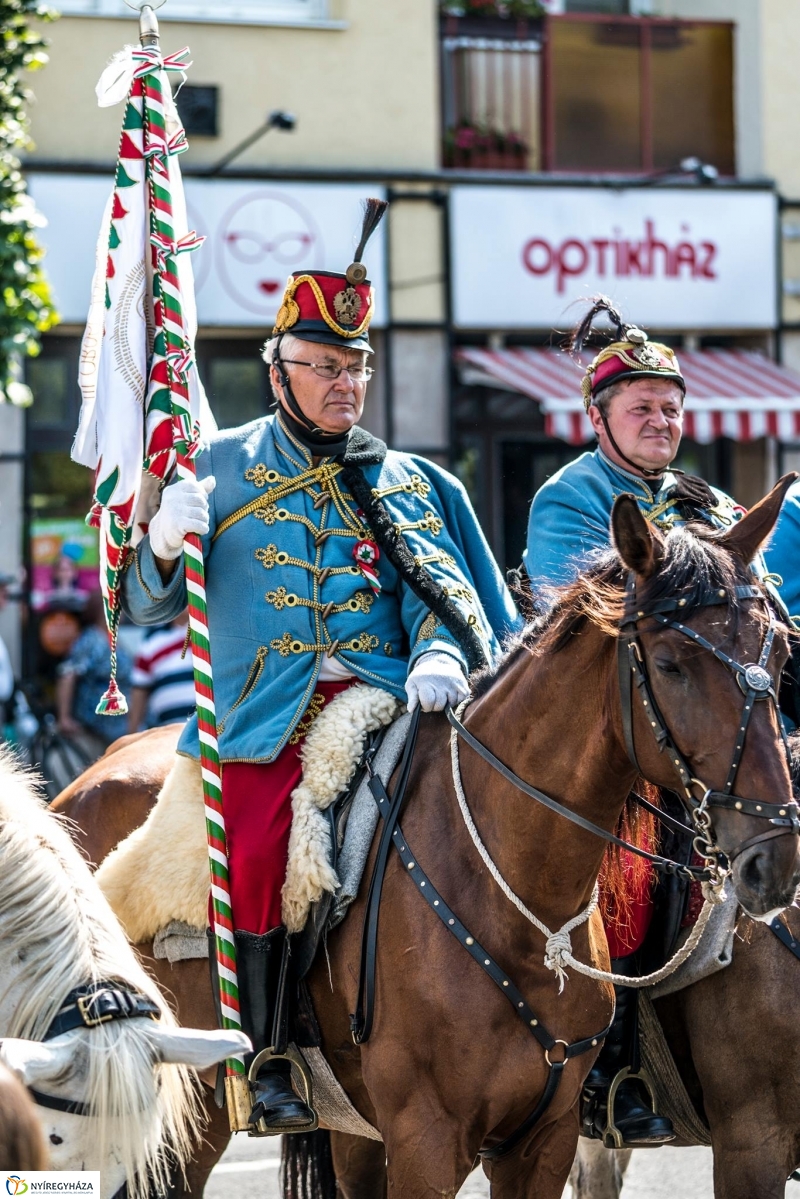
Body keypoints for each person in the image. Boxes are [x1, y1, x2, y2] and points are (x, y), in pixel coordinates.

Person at [121, 200, 520, 1134]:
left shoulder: (412, 481)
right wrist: (162, 541)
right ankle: (264, 1056)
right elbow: (139, 606)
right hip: (268, 717)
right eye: (326, 367)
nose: (347, 384)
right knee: (259, 848)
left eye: (357, 368)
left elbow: (451, 596)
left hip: (396, 701)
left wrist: (431, 650)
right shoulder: (211, 469)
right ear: (278, 372)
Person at [524, 298, 744, 1150]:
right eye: (643, 407)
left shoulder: (707, 499)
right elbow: (574, 616)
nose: (663, 420)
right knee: (634, 880)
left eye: (672, 407)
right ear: (601, 417)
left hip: (716, 723)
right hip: (613, 733)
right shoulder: (570, 496)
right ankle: (616, 1067)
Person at [56, 590, 133, 750]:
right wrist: (64, 718)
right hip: (93, 730)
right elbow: (67, 675)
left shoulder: (114, 639)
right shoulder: (91, 640)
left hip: (117, 730)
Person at [127, 611, 195, 733]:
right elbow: (140, 689)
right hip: (166, 734)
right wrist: (132, 732)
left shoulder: (214, 631)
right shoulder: (151, 639)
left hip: (212, 732)